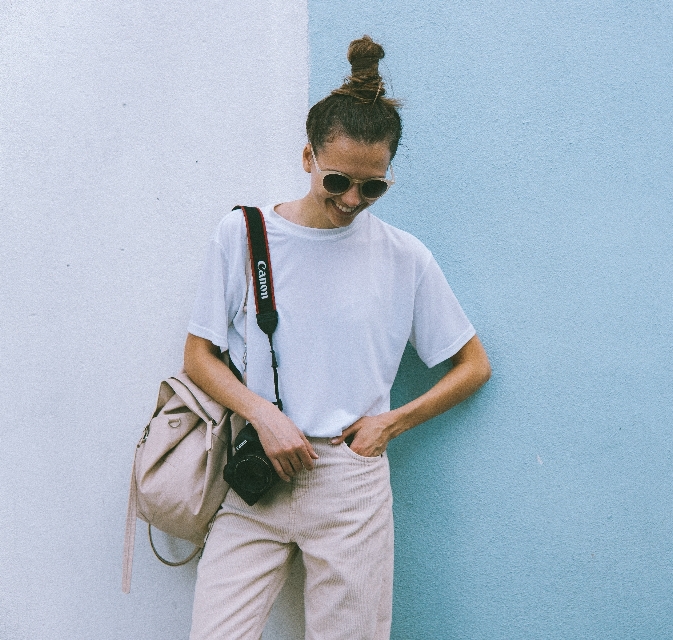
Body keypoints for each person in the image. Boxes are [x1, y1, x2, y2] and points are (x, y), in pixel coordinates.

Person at [182, 35, 491, 640]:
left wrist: (391, 423)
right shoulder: (244, 236)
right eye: (337, 181)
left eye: (372, 188)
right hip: (258, 478)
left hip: (350, 482)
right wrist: (262, 415)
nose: (352, 200)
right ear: (306, 158)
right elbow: (199, 356)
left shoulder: (405, 258)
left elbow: (472, 365)